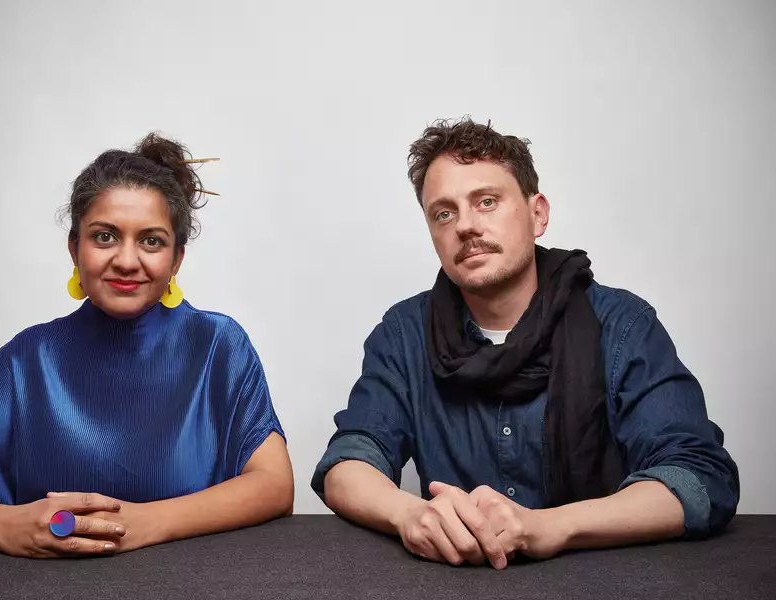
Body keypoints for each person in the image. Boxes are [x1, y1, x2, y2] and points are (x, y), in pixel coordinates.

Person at [311, 117, 739, 568]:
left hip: (606, 583)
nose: (466, 226)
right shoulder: (403, 334)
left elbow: (699, 478)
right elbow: (349, 462)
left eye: (487, 202)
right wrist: (411, 515)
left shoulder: (621, 325)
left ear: (538, 214)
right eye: (444, 213)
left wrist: (550, 526)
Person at [0, 133, 294, 558]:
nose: (127, 261)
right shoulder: (29, 358)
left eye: (151, 240)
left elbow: (275, 484)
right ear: (75, 249)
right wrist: (4, 525)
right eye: (105, 237)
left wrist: (147, 523)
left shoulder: (219, 347)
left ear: (177, 259)